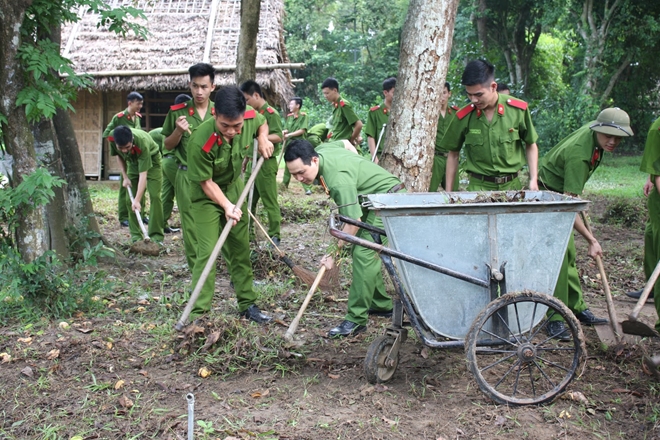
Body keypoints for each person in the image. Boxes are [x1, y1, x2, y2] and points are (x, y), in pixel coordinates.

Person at [284, 139, 404, 337]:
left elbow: (352, 222)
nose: (298, 178)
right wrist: (356, 168)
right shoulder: (322, 150)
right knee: (362, 251)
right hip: (369, 200)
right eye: (293, 174)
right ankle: (380, 304)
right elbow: (346, 143)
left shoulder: (338, 180)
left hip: (389, 201)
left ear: (314, 161)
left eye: (301, 172)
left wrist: (333, 254)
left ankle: (356, 320)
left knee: (364, 253)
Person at [538, 107, 634, 339]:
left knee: (569, 255)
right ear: (598, 129)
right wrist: (591, 240)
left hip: (564, 196)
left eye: (617, 137)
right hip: (551, 199)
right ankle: (556, 317)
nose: (612, 142)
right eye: (608, 136)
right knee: (560, 257)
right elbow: (569, 207)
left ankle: (576, 307)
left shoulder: (596, 135)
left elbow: (574, 200)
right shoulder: (579, 155)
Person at [186, 86, 274, 322]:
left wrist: (263, 138)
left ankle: (248, 305)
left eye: (237, 126)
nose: (233, 131)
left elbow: (262, 122)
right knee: (208, 252)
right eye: (225, 126)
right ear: (215, 114)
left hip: (235, 188)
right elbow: (206, 182)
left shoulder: (249, 118)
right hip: (206, 196)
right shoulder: (199, 141)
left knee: (240, 249)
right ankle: (199, 313)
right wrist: (226, 206)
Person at [441, 60, 539, 192]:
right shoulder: (463, 116)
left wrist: (533, 179)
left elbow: (530, 144)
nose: (474, 100)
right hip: (478, 188)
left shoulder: (517, 110)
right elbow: (453, 154)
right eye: (469, 94)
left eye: (478, 94)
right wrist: (449, 192)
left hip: (512, 188)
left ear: (493, 87)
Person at [161, 63, 216, 271]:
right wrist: (178, 132)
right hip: (187, 177)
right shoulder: (178, 112)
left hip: (214, 178)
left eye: (204, 86)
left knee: (217, 223)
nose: (199, 91)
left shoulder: (219, 112)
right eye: (195, 86)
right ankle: (198, 272)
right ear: (189, 85)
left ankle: (215, 264)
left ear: (213, 86)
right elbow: (166, 144)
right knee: (190, 226)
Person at [239, 80, 283, 245]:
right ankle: (248, 235)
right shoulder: (251, 115)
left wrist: (262, 138)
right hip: (252, 162)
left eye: (247, 99)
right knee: (248, 200)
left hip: (266, 163)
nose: (246, 104)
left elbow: (279, 136)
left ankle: (275, 235)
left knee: (269, 200)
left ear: (256, 95)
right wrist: (246, 159)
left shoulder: (271, 113)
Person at [112, 126, 164, 244]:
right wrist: (125, 177)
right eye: (121, 148)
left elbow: (143, 175)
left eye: (127, 147)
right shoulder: (113, 138)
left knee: (155, 196)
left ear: (132, 140)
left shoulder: (142, 142)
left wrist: (137, 200)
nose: (124, 150)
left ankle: (156, 236)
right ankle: (136, 236)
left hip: (153, 161)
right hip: (132, 162)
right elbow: (119, 156)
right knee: (129, 201)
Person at [627, 116, 660, 303]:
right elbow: (657, 161)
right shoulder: (657, 129)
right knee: (651, 234)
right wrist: (652, 177)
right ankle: (653, 286)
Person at [103, 91, 144, 227]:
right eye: (138, 104)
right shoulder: (119, 117)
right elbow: (107, 133)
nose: (140, 107)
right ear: (130, 103)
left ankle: (140, 213)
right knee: (125, 184)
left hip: (135, 155)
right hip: (124, 154)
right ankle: (124, 216)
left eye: (141, 104)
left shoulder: (137, 117)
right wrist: (119, 146)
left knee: (139, 183)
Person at [150, 94, 189, 234]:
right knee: (185, 195)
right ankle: (190, 225)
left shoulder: (170, 120)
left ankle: (160, 224)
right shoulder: (181, 122)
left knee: (166, 195)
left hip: (165, 162)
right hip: (175, 163)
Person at [428, 82, 459, 191]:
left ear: (449, 94)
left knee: (454, 193)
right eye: (439, 93)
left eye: (444, 93)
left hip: (452, 156)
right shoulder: (430, 113)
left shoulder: (456, 113)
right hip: (435, 158)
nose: (441, 97)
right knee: (430, 191)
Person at [282, 97, 312, 194]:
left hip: (300, 144)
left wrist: (289, 134)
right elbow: (286, 129)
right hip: (290, 145)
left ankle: (307, 188)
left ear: (297, 106)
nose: (289, 106)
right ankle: (284, 186)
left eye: (291, 104)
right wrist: (283, 132)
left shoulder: (304, 116)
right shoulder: (290, 117)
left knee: (302, 165)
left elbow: (302, 130)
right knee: (288, 164)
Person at [321, 77, 363, 146]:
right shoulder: (335, 105)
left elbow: (358, 124)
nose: (325, 96)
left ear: (335, 90)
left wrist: (351, 140)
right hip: (334, 141)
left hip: (341, 144)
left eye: (327, 93)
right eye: (324, 93)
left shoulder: (344, 105)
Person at [364, 77, 396, 165]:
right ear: (385, 93)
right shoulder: (375, 113)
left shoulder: (401, 113)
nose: (397, 95)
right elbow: (371, 136)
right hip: (381, 156)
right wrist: (375, 159)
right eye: (394, 92)